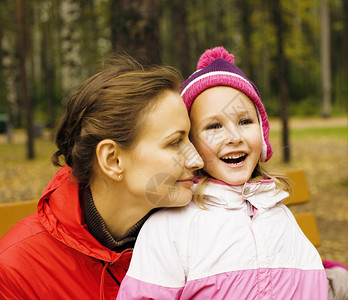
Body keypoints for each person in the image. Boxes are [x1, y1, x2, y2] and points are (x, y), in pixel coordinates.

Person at [118, 47, 330, 299]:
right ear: (191, 143)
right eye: (214, 126)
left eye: (245, 121)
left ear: (262, 133)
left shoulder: (277, 211)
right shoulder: (171, 226)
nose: (234, 137)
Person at [0, 54, 203, 299]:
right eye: (174, 142)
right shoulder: (16, 271)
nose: (197, 160)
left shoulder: (204, 231)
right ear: (112, 160)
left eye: (189, 138)